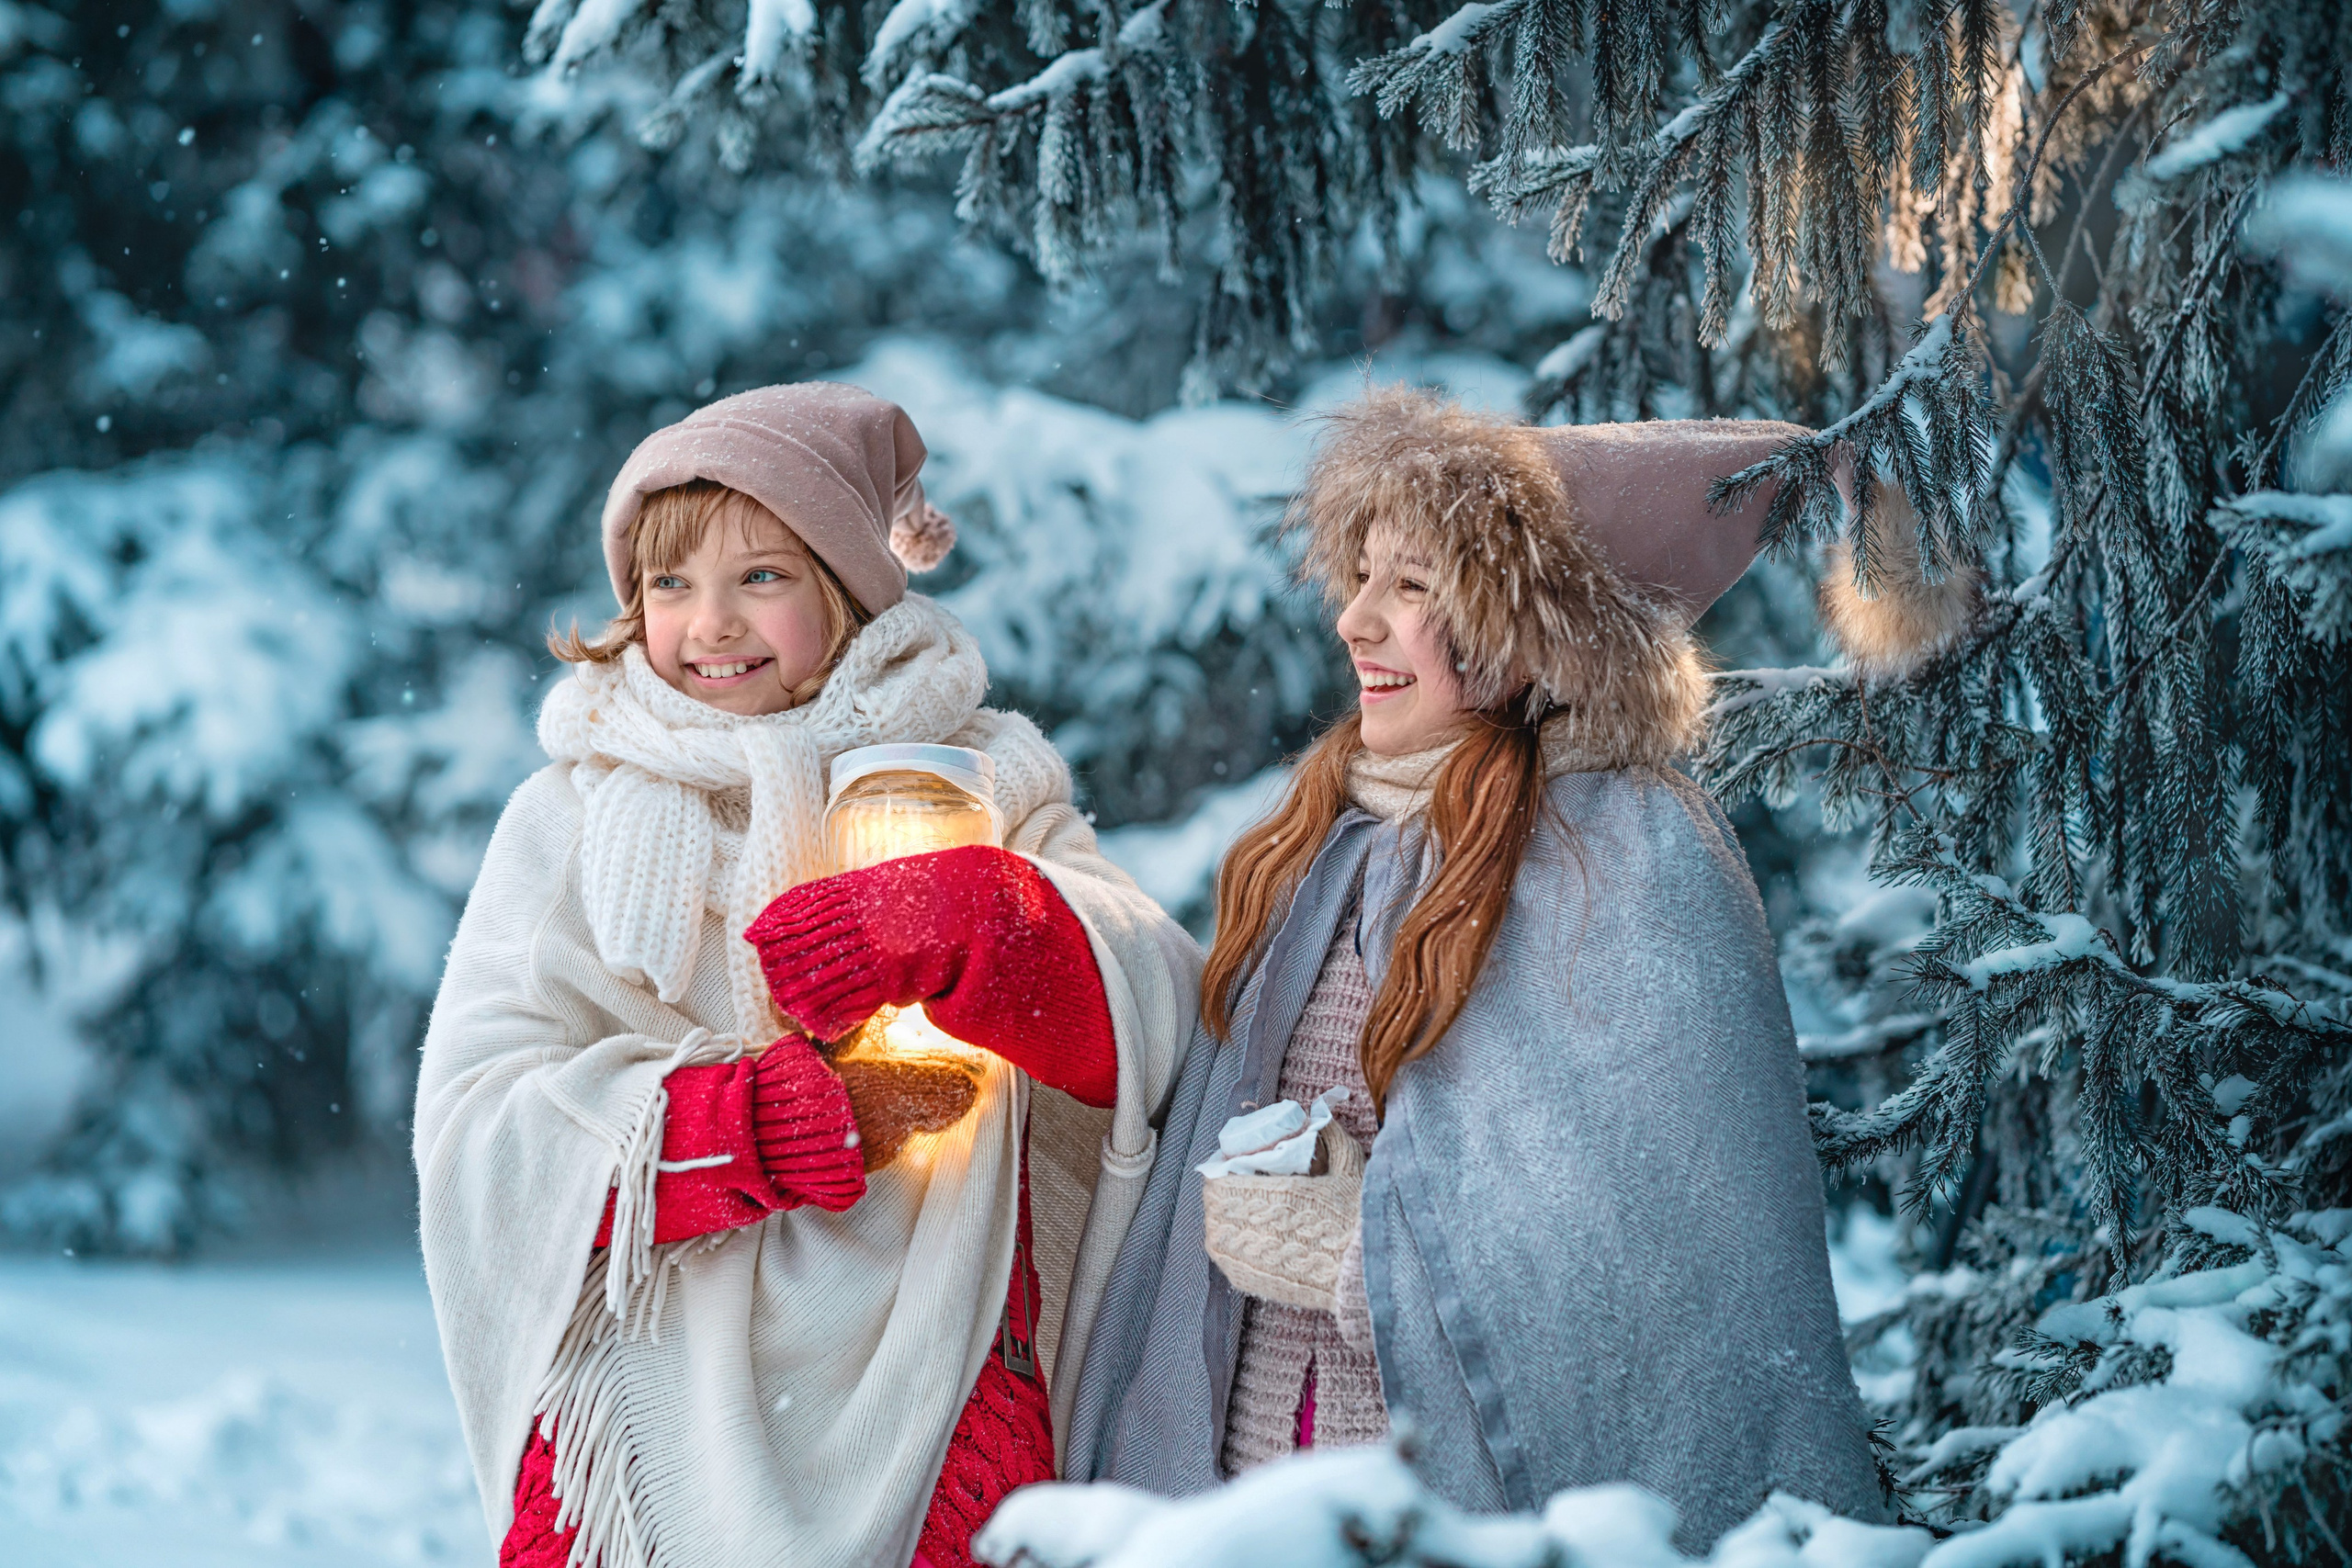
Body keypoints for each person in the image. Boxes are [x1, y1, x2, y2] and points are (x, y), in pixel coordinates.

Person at [1065, 388, 1971, 1547]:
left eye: (1413, 588)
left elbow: (1650, 1273)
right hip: (1254, 1491)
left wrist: (1360, 1252)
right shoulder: (1328, 840)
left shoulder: (1623, 858)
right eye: (1359, 578)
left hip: (1441, 1511)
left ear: (1533, 631)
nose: (1354, 622)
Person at [415, 383, 1199, 1568]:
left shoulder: (974, 780)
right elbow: (480, 1128)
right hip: (640, 1403)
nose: (710, 624)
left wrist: (987, 920)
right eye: (670, 584)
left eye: (763, 578)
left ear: (846, 591)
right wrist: (757, 1125)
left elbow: (1154, 1025)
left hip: (937, 1362)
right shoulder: (566, 813)